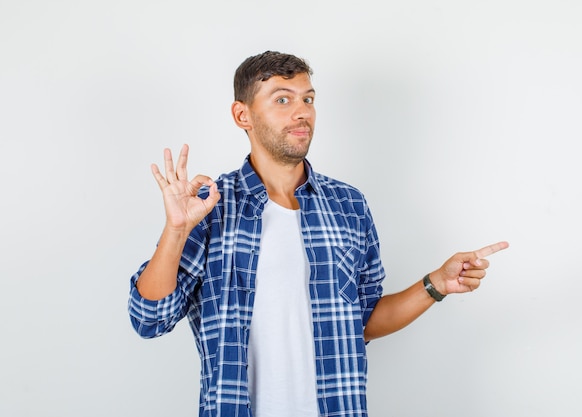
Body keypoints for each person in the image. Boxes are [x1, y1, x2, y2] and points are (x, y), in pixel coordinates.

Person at [128, 50, 509, 417]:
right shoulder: (210, 208)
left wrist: (436, 284)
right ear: (242, 114)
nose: (301, 112)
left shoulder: (349, 206)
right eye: (282, 99)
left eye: (308, 99)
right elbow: (149, 319)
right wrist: (176, 229)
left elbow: (365, 322)